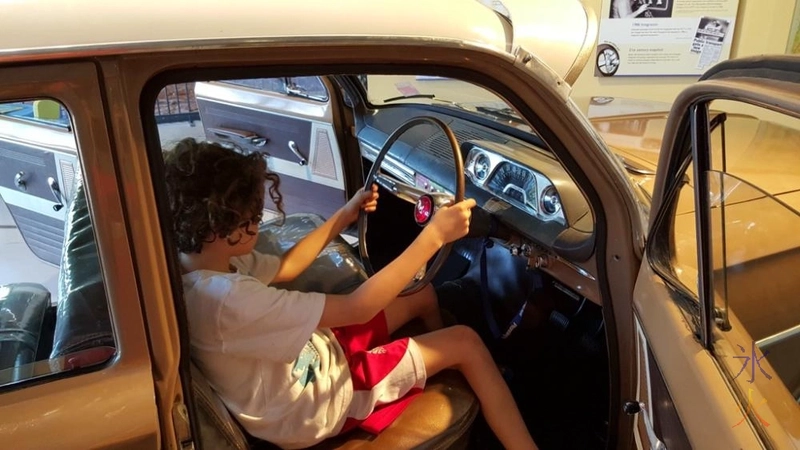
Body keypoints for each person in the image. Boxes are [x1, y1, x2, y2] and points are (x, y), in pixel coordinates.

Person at [164, 138, 538, 450]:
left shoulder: (203, 262)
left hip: (311, 359)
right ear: (220, 227)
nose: (258, 224)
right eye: (252, 218)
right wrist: (434, 236)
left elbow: (287, 266)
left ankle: (444, 365)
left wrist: (343, 215)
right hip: (315, 405)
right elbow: (359, 308)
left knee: (421, 294)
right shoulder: (228, 301)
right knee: (466, 342)